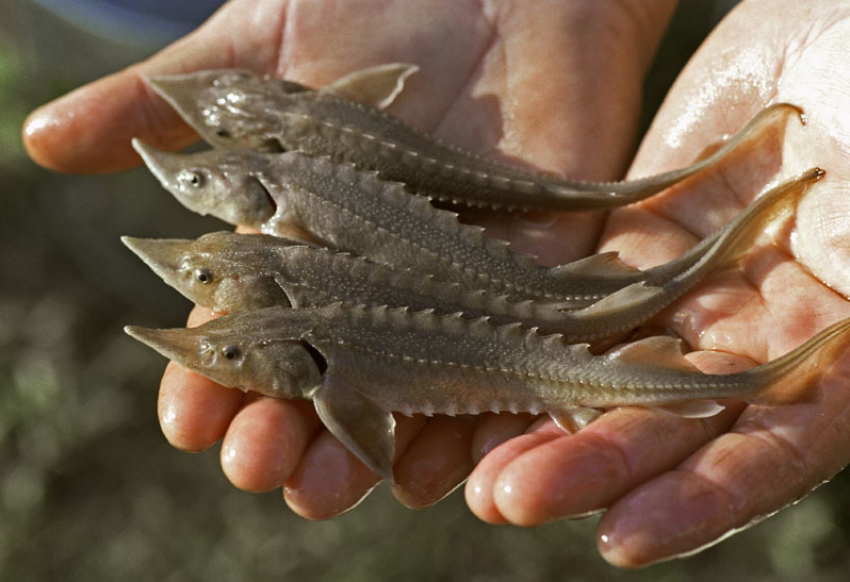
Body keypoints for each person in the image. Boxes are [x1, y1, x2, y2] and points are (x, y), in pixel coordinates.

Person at [22, 0, 850, 568]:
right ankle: (739, 280)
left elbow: (359, 421)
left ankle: (754, 268)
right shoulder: (298, 279)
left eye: (209, 180)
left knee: (598, 293)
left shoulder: (307, 292)